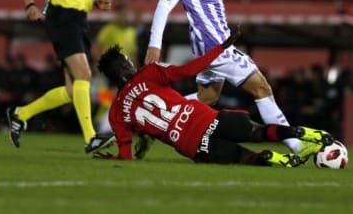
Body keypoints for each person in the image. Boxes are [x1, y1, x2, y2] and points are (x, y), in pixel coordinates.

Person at [143, 0, 322, 162]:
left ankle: (154, 118)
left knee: (207, 98)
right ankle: (296, 146)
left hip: (207, 46)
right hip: (215, 46)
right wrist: (155, 43)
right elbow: (164, 5)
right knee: (261, 87)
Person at [96, 29, 334, 166]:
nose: (132, 62)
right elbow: (187, 71)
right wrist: (219, 50)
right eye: (128, 61)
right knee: (258, 132)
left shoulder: (116, 112)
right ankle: (303, 133)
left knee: (243, 158)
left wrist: (112, 158)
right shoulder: (149, 73)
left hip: (191, 144)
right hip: (203, 117)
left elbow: (126, 155)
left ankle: (277, 160)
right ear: (124, 68)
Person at [8, 0, 115, 154]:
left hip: (80, 19)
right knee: (85, 75)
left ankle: (20, 114)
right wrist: (30, 5)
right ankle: (91, 139)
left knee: (72, 90)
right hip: (61, 18)